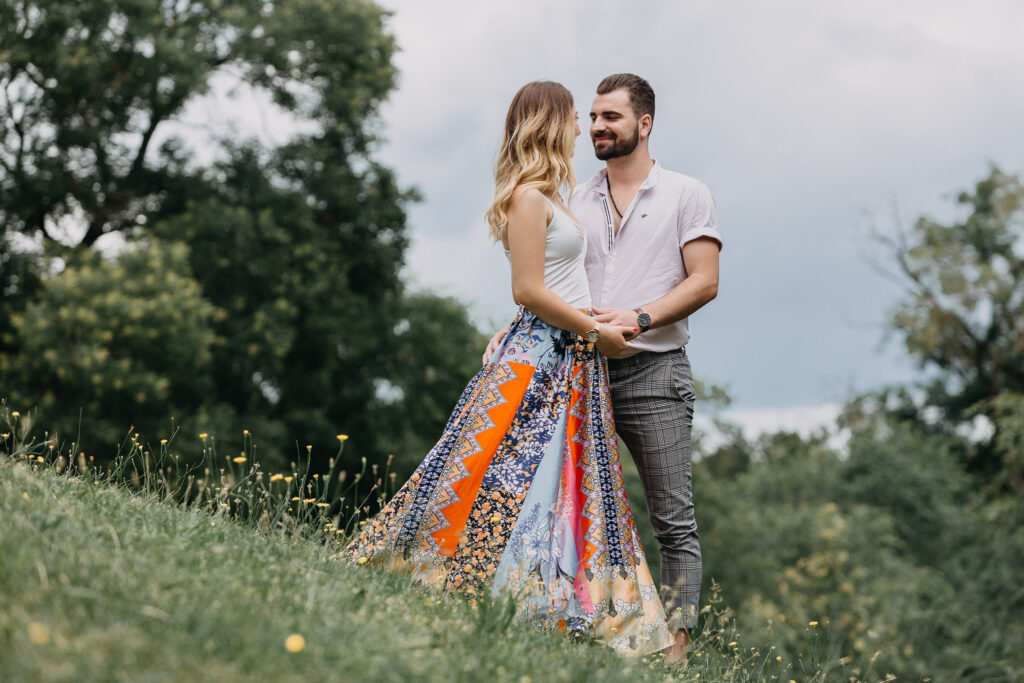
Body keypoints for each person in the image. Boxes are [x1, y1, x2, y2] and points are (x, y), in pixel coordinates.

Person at [342, 80, 673, 657]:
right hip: (545, 357)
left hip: (572, 356)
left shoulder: (551, 196)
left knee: (567, 483)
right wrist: (593, 329)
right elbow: (527, 288)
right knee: (506, 476)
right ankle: (489, 586)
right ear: (549, 123)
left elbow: (555, 284)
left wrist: (590, 325)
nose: (580, 128)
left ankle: (555, 603)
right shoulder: (528, 196)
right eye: (573, 117)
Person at [484, 73, 722, 664]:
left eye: (610, 117)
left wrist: (637, 322)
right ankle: (570, 618)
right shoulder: (574, 195)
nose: (596, 127)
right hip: (576, 370)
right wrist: (513, 327)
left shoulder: (687, 193)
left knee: (672, 517)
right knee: (558, 497)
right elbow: (550, 279)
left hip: (653, 374)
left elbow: (705, 281)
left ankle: (677, 652)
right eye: (591, 117)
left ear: (644, 124)